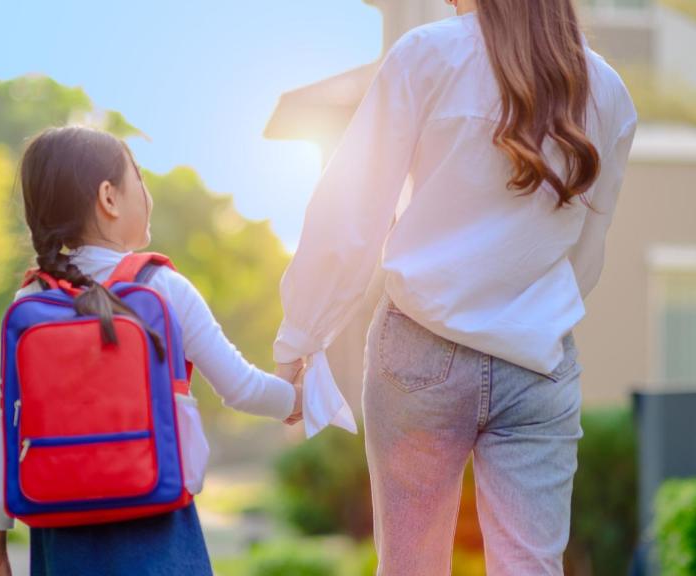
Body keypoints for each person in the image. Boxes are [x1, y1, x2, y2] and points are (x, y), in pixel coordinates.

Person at [273, 0, 637, 573]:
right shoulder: (608, 91)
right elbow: (587, 252)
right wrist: (534, 308)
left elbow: (351, 213)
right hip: (539, 358)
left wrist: (301, 335)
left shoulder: (426, 55)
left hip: (420, 347)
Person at [0, 126, 303, 576]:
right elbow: (241, 388)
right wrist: (297, 399)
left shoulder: (29, 301)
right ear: (109, 197)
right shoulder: (162, 287)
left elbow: (4, 427)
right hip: (158, 533)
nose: (147, 194)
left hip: (63, 541)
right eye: (139, 177)